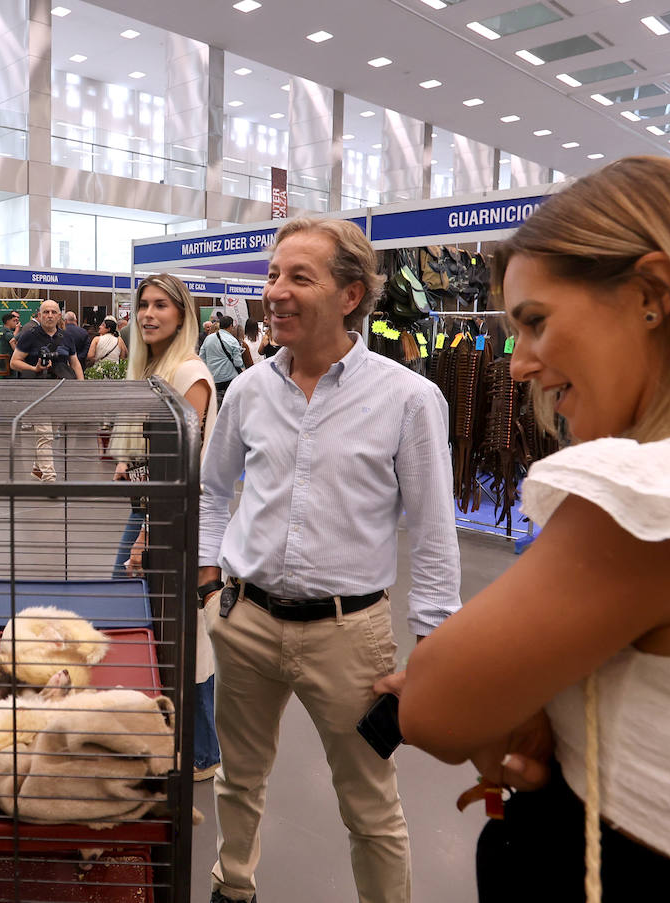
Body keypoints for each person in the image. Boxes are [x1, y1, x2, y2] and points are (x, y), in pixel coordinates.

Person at [398, 156, 670, 901]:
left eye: (535, 322)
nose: (520, 363)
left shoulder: (662, 497)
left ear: (654, 294)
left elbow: (434, 708)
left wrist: (530, 704)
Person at [199, 216, 462, 903]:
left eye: (297, 277)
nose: (274, 292)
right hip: (246, 619)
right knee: (239, 776)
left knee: (369, 807)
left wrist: (431, 647)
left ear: (350, 295)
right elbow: (211, 485)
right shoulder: (251, 390)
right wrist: (207, 579)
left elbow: (435, 531)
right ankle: (233, 885)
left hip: (351, 636)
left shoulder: (408, 397)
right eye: (272, 275)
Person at [108, 274, 220, 780]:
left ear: (182, 314)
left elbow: (186, 468)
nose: (148, 314)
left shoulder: (189, 374)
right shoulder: (154, 369)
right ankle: (170, 738)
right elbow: (159, 451)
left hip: (174, 521)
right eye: (143, 306)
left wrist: (148, 537)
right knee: (156, 624)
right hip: (152, 511)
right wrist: (131, 466)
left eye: (161, 306)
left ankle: (201, 752)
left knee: (183, 634)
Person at [10, 299, 83, 481]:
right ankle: (49, 477)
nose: (50, 315)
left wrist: (82, 385)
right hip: (37, 391)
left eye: (53, 312)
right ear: (39, 315)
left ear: (59, 316)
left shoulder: (67, 337)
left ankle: (37, 467)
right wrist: (34, 369)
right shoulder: (29, 335)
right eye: (46, 312)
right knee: (45, 434)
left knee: (50, 433)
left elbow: (74, 362)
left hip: (60, 391)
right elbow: (14, 361)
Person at [200, 314, 246, 403]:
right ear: (230, 326)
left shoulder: (208, 338)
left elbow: (202, 357)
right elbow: (238, 363)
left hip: (212, 377)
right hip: (229, 378)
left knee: (214, 403)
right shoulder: (232, 341)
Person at [0, 311, 21, 375]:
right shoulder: (7, 333)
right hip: (8, 360)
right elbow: (13, 341)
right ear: (8, 321)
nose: (16, 323)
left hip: (5, 360)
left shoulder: (3, 330)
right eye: (14, 321)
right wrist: (17, 330)